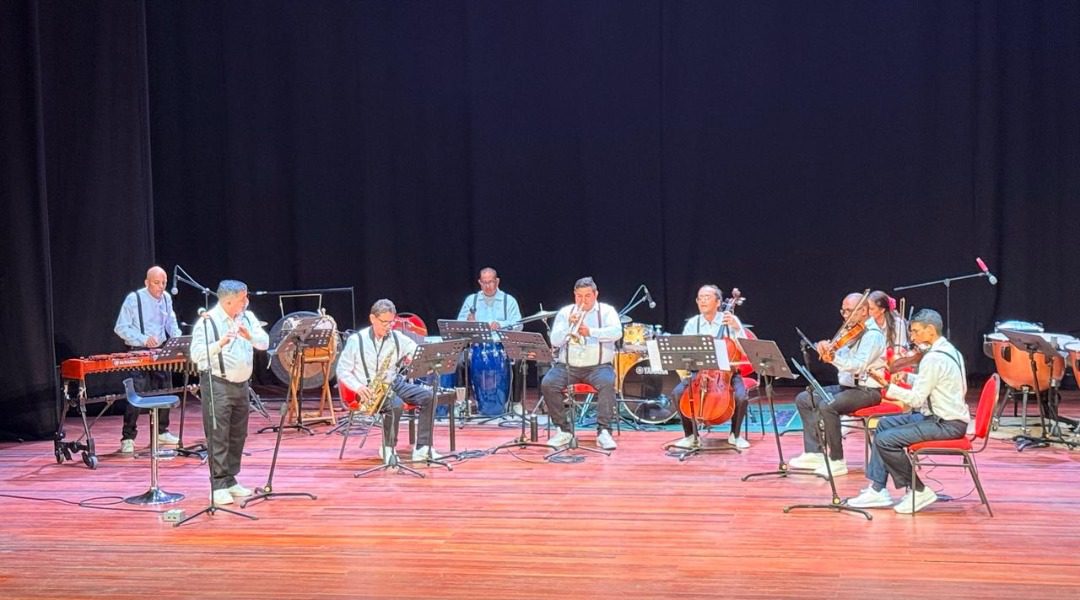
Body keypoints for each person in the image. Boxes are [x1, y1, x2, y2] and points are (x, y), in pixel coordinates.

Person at [845, 309, 970, 514]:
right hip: (943, 418)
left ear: (931, 330)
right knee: (884, 424)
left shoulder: (933, 358)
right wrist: (907, 377)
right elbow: (936, 383)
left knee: (886, 440)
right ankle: (877, 489)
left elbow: (916, 399)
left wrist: (887, 386)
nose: (912, 337)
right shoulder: (950, 350)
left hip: (946, 424)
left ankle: (919, 490)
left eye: (916, 331)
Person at [189, 280, 269, 506]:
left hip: (241, 384)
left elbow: (264, 343)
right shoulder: (208, 322)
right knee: (218, 435)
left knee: (237, 435)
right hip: (217, 384)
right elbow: (196, 355)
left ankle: (231, 479)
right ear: (229, 301)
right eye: (243, 298)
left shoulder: (247, 317)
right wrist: (220, 343)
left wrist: (250, 336)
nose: (247, 302)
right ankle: (218, 485)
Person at [789, 292, 886, 476]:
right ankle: (815, 453)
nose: (845, 315)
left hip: (868, 391)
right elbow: (839, 356)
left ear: (863, 311)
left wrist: (833, 358)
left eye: (849, 311)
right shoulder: (852, 332)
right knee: (805, 398)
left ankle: (837, 460)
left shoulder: (873, 335)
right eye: (843, 311)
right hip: (848, 388)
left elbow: (858, 365)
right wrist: (825, 347)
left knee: (828, 406)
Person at [337, 299, 441, 464]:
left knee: (428, 396)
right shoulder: (357, 340)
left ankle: (423, 448)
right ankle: (388, 447)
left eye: (391, 322)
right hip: (369, 389)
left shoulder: (397, 337)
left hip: (393, 383)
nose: (388, 327)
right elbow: (342, 369)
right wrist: (358, 387)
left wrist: (423, 362)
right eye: (384, 322)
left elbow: (416, 352)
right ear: (373, 319)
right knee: (396, 404)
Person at [540, 277, 623, 450]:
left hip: (598, 367)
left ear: (596, 294)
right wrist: (568, 326)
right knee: (548, 383)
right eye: (579, 296)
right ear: (574, 295)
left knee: (607, 383)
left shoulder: (607, 311)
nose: (583, 300)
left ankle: (603, 431)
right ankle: (564, 430)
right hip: (568, 366)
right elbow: (555, 341)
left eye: (587, 296)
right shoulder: (565, 312)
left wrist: (590, 332)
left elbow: (617, 332)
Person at [670, 285, 751, 450]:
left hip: (727, 374)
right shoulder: (693, 323)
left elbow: (745, 351)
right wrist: (698, 367)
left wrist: (736, 328)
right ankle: (690, 435)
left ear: (718, 302)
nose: (703, 301)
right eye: (700, 298)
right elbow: (685, 353)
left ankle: (735, 435)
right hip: (699, 372)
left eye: (707, 297)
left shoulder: (730, 320)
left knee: (741, 397)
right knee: (677, 393)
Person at [113, 265, 183, 453]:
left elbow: (171, 323)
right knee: (137, 393)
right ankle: (128, 437)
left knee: (165, 389)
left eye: (164, 283)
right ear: (147, 282)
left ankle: (162, 431)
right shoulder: (134, 299)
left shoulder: (166, 298)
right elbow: (121, 327)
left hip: (160, 351)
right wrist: (143, 339)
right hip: (139, 350)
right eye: (156, 283)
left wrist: (177, 339)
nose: (161, 287)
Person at [455, 267, 524, 414]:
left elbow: (519, 324)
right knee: (459, 362)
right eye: (484, 282)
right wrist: (468, 322)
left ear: (497, 281)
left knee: (518, 360)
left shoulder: (509, 300)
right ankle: (462, 402)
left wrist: (501, 325)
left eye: (491, 282)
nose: (487, 286)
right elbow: (459, 324)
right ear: (480, 282)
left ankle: (515, 402)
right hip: (476, 346)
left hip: (502, 345)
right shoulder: (471, 300)